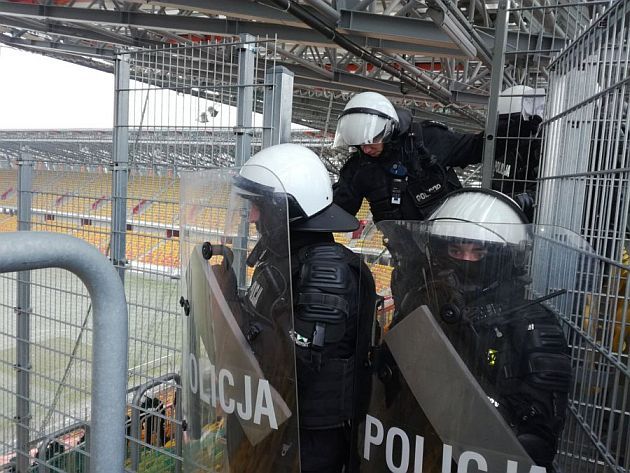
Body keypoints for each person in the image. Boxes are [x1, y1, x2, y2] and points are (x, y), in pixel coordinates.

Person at [394, 188, 571, 471]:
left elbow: (538, 439)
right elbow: (389, 385)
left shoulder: (531, 324)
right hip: (418, 452)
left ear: (506, 257)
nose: (465, 260)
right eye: (455, 250)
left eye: (479, 252)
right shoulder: (421, 305)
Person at [232, 143, 377, 473]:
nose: (252, 216)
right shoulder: (287, 257)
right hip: (276, 417)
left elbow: (296, 364)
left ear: (292, 208)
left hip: (308, 434)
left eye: (260, 206)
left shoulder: (328, 271)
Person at [331, 91, 484, 223]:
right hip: (405, 250)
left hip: (454, 238)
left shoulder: (428, 140)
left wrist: (505, 126)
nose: (366, 150)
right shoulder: (358, 168)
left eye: (373, 141)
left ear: (389, 130)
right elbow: (337, 212)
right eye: (360, 144)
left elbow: (475, 147)